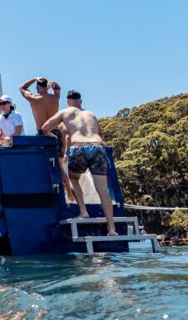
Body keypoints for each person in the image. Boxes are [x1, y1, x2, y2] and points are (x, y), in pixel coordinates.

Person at [40, 90, 117, 236]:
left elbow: (45, 128)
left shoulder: (65, 112)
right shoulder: (91, 114)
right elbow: (100, 135)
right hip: (97, 147)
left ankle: (83, 211)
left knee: (73, 178)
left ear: (68, 102)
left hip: (79, 147)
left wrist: (51, 136)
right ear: (80, 101)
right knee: (103, 191)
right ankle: (112, 229)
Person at [20, 77, 74, 202]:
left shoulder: (33, 99)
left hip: (43, 134)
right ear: (46, 87)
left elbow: (22, 88)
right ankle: (69, 196)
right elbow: (58, 88)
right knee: (59, 167)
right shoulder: (55, 98)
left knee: (43, 166)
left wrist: (34, 79)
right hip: (56, 132)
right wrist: (54, 85)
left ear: (38, 87)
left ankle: (52, 195)